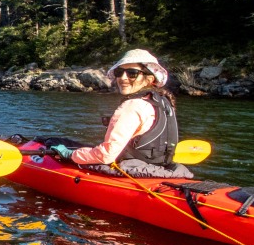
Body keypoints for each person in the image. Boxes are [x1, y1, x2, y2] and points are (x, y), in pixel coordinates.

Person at [50, 49, 192, 178]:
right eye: (119, 72)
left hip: (133, 172)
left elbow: (106, 155)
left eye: (132, 73)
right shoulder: (164, 102)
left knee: (55, 144)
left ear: (150, 78)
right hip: (158, 169)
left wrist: (71, 155)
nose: (122, 78)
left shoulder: (132, 106)